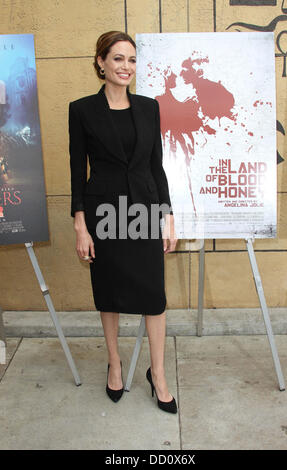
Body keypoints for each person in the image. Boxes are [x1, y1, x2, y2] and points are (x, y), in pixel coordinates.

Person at [69, 31, 178, 413]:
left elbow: (155, 166)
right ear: (100, 62)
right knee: (109, 293)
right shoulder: (81, 110)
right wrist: (81, 225)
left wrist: (167, 214)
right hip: (103, 214)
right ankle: (114, 363)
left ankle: (158, 373)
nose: (125, 67)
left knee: (154, 297)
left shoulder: (149, 107)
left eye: (131, 59)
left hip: (144, 211)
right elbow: (75, 171)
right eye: (117, 59)